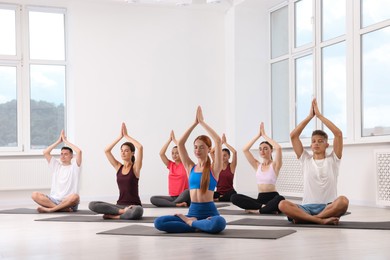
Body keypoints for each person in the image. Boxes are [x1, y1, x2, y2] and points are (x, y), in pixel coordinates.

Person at [154, 106, 226, 234]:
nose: (198, 150)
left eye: (202, 147)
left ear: (209, 149)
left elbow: (218, 141)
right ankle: (198, 224)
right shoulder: (190, 167)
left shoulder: (215, 168)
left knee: (219, 223)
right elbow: (180, 143)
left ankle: (191, 224)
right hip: (192, 212)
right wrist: (194, 123)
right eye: (196, 147)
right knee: (159, 222)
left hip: (210, 212)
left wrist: (203, 123)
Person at [278, 98, 349, 225]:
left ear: (327, 145)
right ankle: (318, 220)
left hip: (328, 207)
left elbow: (338, 133)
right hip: (306, 208)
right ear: (310, 145)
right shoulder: (305, 159)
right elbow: (293, 136)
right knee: (282, 204)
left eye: (320, 141)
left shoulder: (333, 159)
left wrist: (320, 116)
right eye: (313, 141)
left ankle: (315, 218)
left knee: (343, 201)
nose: (316, 143)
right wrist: (310, 116)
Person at [88, 123, 143, 220]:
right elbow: (107, 151)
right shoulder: (118, 167)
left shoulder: (135, 168)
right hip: (119, 206)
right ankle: (122, 213)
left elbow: (140, 147)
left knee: (138, 211)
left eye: (126, 150)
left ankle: (115, 216)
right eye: (121, 150)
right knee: (92, 204)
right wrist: (120, 137)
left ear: (132, 153)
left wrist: (126, 136)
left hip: (133, 206)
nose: (123, 152)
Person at [231, 122, 285, 214]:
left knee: (281, 199)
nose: (262, 151)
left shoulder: (275, 165)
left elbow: (279, 148)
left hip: (273, 197)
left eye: (265, 148)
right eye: (260, 149)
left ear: (271, 150)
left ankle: (259, 210)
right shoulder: (257, 165)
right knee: (234, 197)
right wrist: (258, 136)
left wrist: (264, 135)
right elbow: (245, 149)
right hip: (260, 200)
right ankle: (264, 208)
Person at [31, 130, 82, 213]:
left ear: (71, 156)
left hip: (69, 202)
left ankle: (52, 209)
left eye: (66, 154)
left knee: (75, 197)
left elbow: (79, 151)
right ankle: (60, 208)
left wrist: (65, 141)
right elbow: (45, 152)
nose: (63, 156)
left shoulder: (75, 167)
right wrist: (59, 141)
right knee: (34, 195)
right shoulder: (56, 166)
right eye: (61, 154)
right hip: (54, 200)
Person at [150, 130, 191, 207]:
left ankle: (174, 204)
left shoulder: (186, 164)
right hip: (173, 197)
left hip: (185, 196)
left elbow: (183, 150)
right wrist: (169, 140)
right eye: (172, 153)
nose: (174, 155)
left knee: (187, 191)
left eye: (177, 153)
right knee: (153, 198)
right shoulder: (170, 165)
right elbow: (161, 153)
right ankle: (176, 204)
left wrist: (175, 141)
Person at [211, 134, 237, 202]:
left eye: (225, 155)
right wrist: (221, 143)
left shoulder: (231, 166)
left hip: (229, 192)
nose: (222, 157)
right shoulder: (217, 165)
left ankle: (219, 199)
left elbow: (234, 152)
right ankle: (220, 197)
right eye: (221, 155)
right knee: (207, 193)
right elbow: (211, 152)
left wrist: (225, 143)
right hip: (218, 192)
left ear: (229, 156)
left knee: (233, 194)